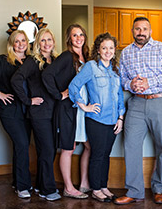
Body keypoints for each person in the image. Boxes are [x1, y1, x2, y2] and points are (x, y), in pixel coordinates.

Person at [114, 17, 162, 205]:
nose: (141, 32)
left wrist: (150, 82)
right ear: (132, 31)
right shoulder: (126, 52)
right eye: (137, 29)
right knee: (131, 145)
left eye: (144, 29)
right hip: (136, 104)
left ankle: (160, 188)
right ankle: (134, 191)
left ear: (150, 31)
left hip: (161, 100)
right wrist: (131, 83)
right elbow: (122, 78)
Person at [69, 32, 125, 203]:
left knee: (106, 154)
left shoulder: (115, 70)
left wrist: (120, 118)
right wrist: (84, 106)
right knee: (98, 154)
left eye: (110, 48)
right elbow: (74, 86)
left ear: (114, 50)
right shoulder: (91, 67)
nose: (107, 51)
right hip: (96, 120)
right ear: (98, 50)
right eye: (104, 48)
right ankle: (96, 189)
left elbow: (120, 96)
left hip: (113, 120)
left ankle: (103, 186)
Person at [11, 28, 62, 201]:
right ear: (38, 44)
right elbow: (16, 80)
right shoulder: (33, 61)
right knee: (47, 150)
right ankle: (48, 190)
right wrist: (28, 100)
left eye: (49, 40)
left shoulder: (56, 60)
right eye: (43, 40)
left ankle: (40, 186)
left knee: (49, 150)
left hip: (54, 111)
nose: (47, 43)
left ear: (53, 42)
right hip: (39, 113)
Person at [42, 24, 90, 198]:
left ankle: (84, 183)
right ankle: (68, 188)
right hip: (67, 109)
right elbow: (46, 75)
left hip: (84, 109)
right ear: (69, 39)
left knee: (88, 145)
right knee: (68, 148)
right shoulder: (66, 56)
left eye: (81, 34)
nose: (78, 38)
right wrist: (58, 95)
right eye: (74, 35)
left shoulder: (88, 56)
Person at [0, 30, 32, 198]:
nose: (20, 44)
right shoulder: (3, 61)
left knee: (21, 146)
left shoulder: (30, 61)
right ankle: (22, 187)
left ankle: (18, 181)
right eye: (16, 41)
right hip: (10, 111)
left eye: (23, 40)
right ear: (11, 44)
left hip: (27, 112)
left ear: (27, 42)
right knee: (23, 144)